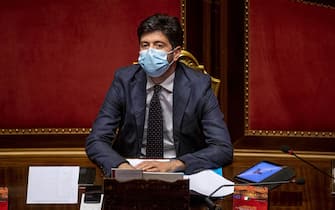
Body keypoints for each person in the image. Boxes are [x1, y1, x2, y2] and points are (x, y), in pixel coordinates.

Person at [86, 13, 233, 177]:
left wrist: (175, 165)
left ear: (176, 53)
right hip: (133, 170)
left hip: (181, 173)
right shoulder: (124, 80)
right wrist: (121, 167)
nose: (150, 52)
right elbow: (96, 140)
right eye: (145, 45)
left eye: (158, 45)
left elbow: (222, 148)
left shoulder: (198, 86)